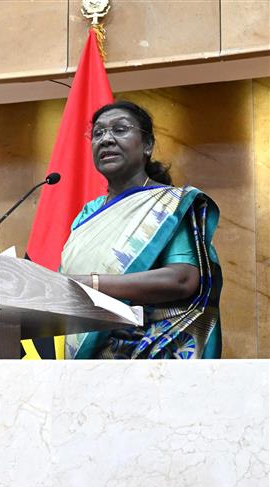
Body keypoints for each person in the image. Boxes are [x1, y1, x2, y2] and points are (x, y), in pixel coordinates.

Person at [61, 101, 222, 359]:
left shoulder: (170, 205)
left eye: (120, 129)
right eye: (98, 133)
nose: (106, 139)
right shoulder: (86, 214)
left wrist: (93, 283)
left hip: (149, 358)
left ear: (147, 145)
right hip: (84, 364)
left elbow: (183, 279)